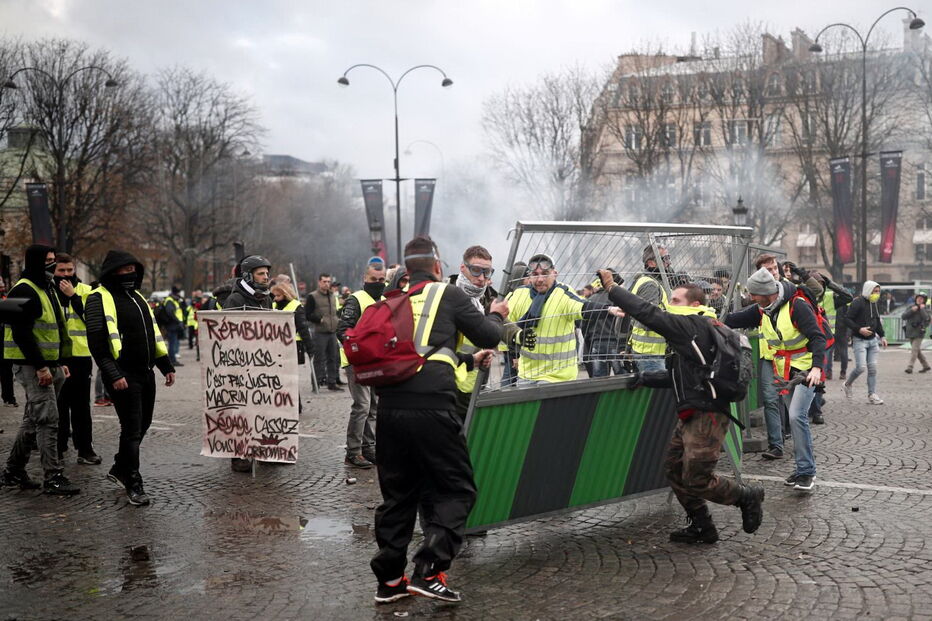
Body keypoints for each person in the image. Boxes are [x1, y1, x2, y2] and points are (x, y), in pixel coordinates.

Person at [371, 235, 507, 605]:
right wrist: (498, 312)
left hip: (390, 409)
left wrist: (465, 360)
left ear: (404, 268)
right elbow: (490, 334)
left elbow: (420, 352)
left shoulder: (395, 299)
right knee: (457, 488)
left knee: (399, 495)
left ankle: (390, 581)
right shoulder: (446, 295)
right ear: (437, 267)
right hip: (432, 407)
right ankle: (429, 571)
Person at [599, 273, 765, 544]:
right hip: (694, 410)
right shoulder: (699, 330)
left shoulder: (692, 325)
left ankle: (746, 497)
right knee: (675, 470)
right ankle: (702, 527)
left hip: (707, 415)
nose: (669, 304)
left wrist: (612, 288)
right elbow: (687, 377)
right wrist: (647, 378)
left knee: (697, 478)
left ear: (692, 304)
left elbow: (648, 313)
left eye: (675, 300)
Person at [85, 251, 175, 505]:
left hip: (146, 372)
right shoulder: (97, 298)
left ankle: (119, 467)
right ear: (111, 272)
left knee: (143, 425)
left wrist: (165, 366)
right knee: (132, 429)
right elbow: (98, 343)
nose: (129, 274)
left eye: (132, 270)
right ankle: (133, 481)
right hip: (123, 376)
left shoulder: (138, 298)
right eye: (123, 270)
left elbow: (152, 334)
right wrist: (113, 374)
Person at [725, 268, 825, 492]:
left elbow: (818, 337)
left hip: (806, 370)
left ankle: (807, 472)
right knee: (794, 418)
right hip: (786, 371)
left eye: (753, 294)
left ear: (765, 292)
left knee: (796, 416)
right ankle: (802, 470)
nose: (751, 298)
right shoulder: (763, 308)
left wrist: (817, 368)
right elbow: (732, 319)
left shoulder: (797, 306)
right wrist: (708, 319)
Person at [0, 244, 80, 495]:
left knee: (33, 420)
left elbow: (55, 327)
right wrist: (42, 367)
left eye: (53, 259)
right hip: (32, 366)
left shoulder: (48, 287)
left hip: (48, 364)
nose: (52, 264)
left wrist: (59, 363)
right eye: (48, 260)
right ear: (34, 262)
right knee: (48, 420)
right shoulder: (23, 290)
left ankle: (13, 470)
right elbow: (22, 334)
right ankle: (53, 476)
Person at [507, 253, 620, 384]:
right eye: (535, 274)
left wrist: (608, 309)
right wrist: (513, 355)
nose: (539, 279)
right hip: (527, 375)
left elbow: (582, 306)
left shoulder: (562, 293)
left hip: (558, 377)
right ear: (529, 276)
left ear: (554, 274)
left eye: (545, 274)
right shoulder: (519, 295)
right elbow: (506, 326)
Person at [223, 255, 274, 473]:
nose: (266, 277)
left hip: (263, 366)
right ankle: (239, 455)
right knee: (241, 412)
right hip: (240, 367)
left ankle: (264, 449)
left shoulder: (267, 299)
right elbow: (226, 335)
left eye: (267, 273)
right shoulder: (234, 301)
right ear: (247, 275)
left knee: (264, 408)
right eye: (261, 273)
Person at [336, 257, 387, 469]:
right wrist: (359, 351)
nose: (378, 282)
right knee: (362, 406)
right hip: (356, 361)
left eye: (382, 279)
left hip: (375, 361)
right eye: (373, 278)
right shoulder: (356, 299)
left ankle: (369, 447)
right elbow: (343, 330)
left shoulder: (384, 299)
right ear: (364, 278)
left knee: (373, 408)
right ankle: (353, 451)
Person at [53, 253, 101, 465]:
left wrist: (73, 296)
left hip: (80, 357)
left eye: (69, 270)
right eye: (61, 271)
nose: (65, 275)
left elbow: (91, 320)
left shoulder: (87, 291)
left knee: (81, 406)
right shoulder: (48, 292)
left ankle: (85, 449)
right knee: (58, 406)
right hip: (55, 357)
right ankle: (58, 447)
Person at [272, 282, 315, 414]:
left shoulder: (296, 306)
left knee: (291, 377)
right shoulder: (273, 305)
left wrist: (310, 347)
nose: (275, 298)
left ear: (285, 294)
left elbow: (303, 328)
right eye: (274, 295)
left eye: (278, 295)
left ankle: (296, 405)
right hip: (277, 344)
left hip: (294, 345)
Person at [843, 281, 887, 404]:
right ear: (868, 290)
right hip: (859, 340)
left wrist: (882, 336)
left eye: (878, 292)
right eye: (875, 291)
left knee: (872, 369)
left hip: (873, 341)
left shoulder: (874, 303)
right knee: (861, 367)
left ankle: (872, 394)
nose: (877, 294)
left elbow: (877, 321)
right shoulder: (857, 302)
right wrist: (859, 329)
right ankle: (847, 384)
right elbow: (847, 319)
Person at [306, 273, 343, 391]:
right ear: (319, 282)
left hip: (332, 332)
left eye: (328, 281)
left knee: (333, 358)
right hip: (320, 332)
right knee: (319, 359)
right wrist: (319, 319)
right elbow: (308, 314)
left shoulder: (332, 295)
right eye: (324, 281)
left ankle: (332, 382)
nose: (327, 284)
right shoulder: (313, 296)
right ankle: (315, 384)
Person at [902, 292, 931, 374]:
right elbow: (903, 316)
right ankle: (926, 366)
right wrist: (911, 310)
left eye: (921, 299)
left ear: (924, 300)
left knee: (914, 350)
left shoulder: (926, 309)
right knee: (917, 351)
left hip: (919, 333)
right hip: (910, 332)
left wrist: (921, 309)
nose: (919, 299)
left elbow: (927, 319)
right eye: (918, 298)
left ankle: (910, 367)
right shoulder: (911, 307)